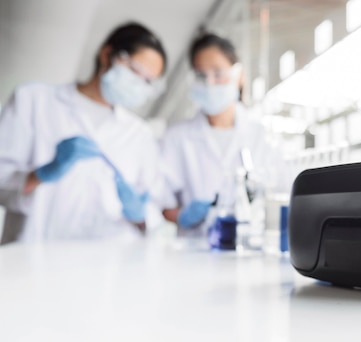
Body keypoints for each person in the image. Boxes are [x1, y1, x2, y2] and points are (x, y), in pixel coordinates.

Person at [0, 22, 167, 242]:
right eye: (138, 72)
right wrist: (40, 174)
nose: (140, 85)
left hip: (107, 264)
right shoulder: (32, 100)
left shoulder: (140, 134)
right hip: (33, 255)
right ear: (108, 55)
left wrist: (138, 213)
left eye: (148, 82)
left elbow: (154, 214)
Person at [159, 33, 287, 233]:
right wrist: (183, 216)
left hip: (251, 250)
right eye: (201, 75)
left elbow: (283, 196)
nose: (210, 83)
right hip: (193, 253)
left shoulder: (264, 137)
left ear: (239, 76)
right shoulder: (177, 138)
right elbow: (162, 203)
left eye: (218, 73)